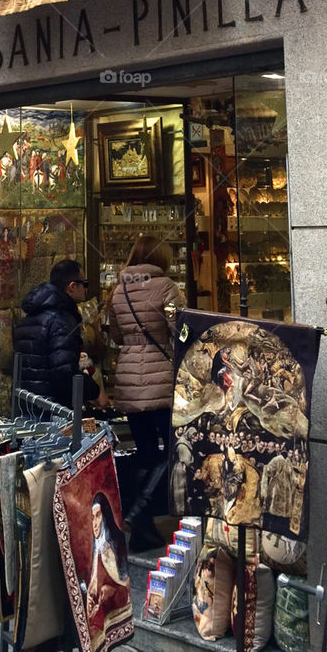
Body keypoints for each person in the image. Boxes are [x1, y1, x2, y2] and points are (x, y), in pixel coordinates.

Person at [108, 234, 184, 549]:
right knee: (171, 448)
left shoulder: (119, 289)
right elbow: (179, 330)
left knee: (144, 449)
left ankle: (142, 524)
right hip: (161, 377)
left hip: (128, 377)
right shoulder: (167, 287)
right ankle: (144, 512)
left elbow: (114, 333)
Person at [13, 259, 109, 409]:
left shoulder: (29, 318)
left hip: (27, 407)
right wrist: (95, 392)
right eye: (84, 284)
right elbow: (64, 373)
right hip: (53, 410)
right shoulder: (62, 321)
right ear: (72, 287)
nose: (85, 289)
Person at [83, 491, 130, 636]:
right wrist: (90, 593)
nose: (95, 524)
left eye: (98, 516)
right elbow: (95, 578)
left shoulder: (115, 541)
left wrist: (111, 589)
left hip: (118, 594)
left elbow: (124, 580)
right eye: (92, 518)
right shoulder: (97, 544)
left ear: (105, 516)